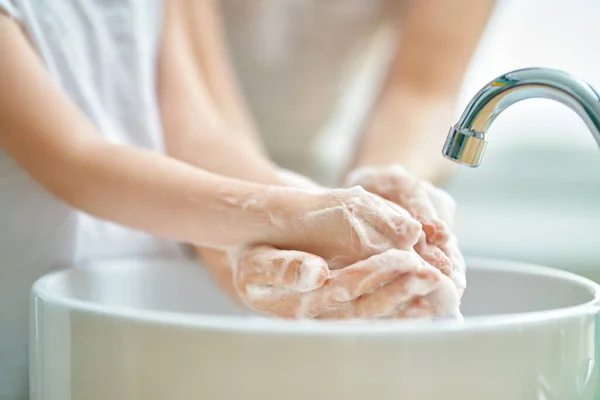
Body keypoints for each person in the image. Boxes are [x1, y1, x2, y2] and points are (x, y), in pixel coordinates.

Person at [0, 0, 491, 398]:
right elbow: (77, 162)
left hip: (150, 266)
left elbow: (197, 132)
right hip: (29, 295)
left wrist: (296, 219)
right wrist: (294, 214)